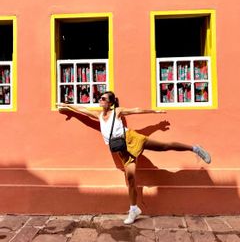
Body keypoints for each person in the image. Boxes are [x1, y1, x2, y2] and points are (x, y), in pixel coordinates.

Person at [58, 90, 211, 225]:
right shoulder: (98, 115)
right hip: (122, 150)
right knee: (130, 178)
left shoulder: (117, 112)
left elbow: (136, 110)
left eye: (103, 98)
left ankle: (195, 148)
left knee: (165, 146)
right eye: (100, 98)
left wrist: (154, 112)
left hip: (132, 139)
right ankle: (134, 209)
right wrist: (67, 107)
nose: (100, 100)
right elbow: (82, 110)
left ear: (110, 102)